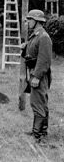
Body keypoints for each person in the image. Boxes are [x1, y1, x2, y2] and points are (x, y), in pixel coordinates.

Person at [21, 9, 53, 143]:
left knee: (37, 103)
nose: (27, 22)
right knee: (41, 103)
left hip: (39, 74)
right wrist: (25, 48)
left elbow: (44, 60)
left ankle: (38, 135)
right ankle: (41, 131)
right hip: (34, 71)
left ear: (37, 21)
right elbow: (32, 53)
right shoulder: (35, 35)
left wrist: (37, 77)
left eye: (29, 19)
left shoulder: (43, 37)